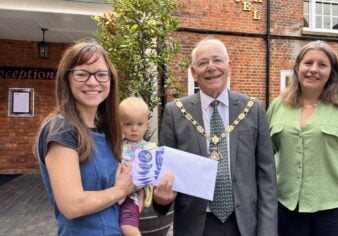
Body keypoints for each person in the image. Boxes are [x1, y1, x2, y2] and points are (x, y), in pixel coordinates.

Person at [153, 37, 277, 236]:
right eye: (202, 63)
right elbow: (165, 174)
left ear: (229, 66)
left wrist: (268, 231)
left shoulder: (253, 109)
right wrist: (161, 199)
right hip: (196, 226)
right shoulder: (175, 113)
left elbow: (266, 177)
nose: (211, 67)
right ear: (194, 73)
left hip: (244, 224)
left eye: (217, 60)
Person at [267, 40, 338, 235]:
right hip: (287, 207)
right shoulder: (279, 105)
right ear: (297, 67)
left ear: (332, 72)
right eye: (308, 63)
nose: (313, 70)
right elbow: (268, 150)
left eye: (322, 65)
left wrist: (337, 180)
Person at [34, 41, 136, 235]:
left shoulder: (104, 130)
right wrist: (121, 190)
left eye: (101, 74)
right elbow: (72, 206)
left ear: (110, 81)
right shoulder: (61, 129)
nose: (92, 82)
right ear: (67, 79)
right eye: (81, 74)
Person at [118, 96, 157, 236]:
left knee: (128, 226)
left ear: (147, 124)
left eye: (139, 124)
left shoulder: (151, 149)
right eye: (128, 124)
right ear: (119, 124)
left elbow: (152, 176)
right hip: (110, 195)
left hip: (131, 197)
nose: (134, 129)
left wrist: (141, 191)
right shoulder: (116, 145)